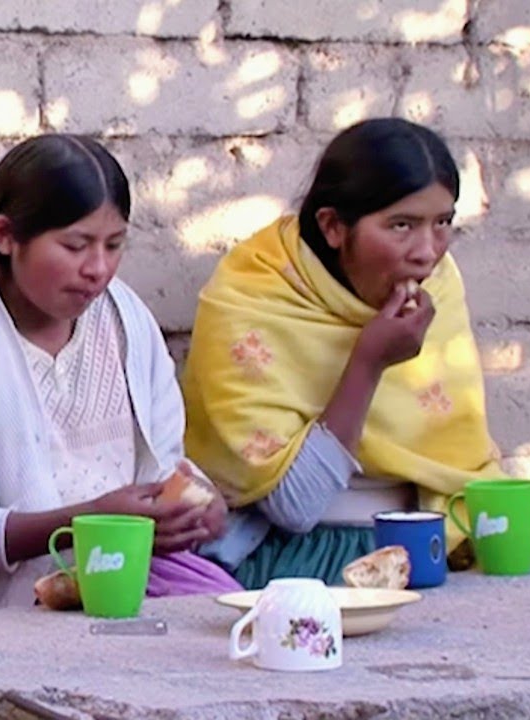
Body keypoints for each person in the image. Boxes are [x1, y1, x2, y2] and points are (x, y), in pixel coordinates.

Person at [0, 134, 237, 610]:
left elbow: (164, 467)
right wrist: (89, 522)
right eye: (75, 245)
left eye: (114, 244)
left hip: (136, 579)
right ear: (5, 236)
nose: (98, 269)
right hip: (13, 607)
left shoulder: (126, 318)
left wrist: (196, 507)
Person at [183, 118, 503, 590]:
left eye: (443, 223)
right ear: (333, 226)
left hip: (421, 548)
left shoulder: (439, 282)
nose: (427, 252)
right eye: (401, 225)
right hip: (295, 562)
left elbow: (458, 459)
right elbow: (294, 508)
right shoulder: (252, 299)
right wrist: (368, 362)